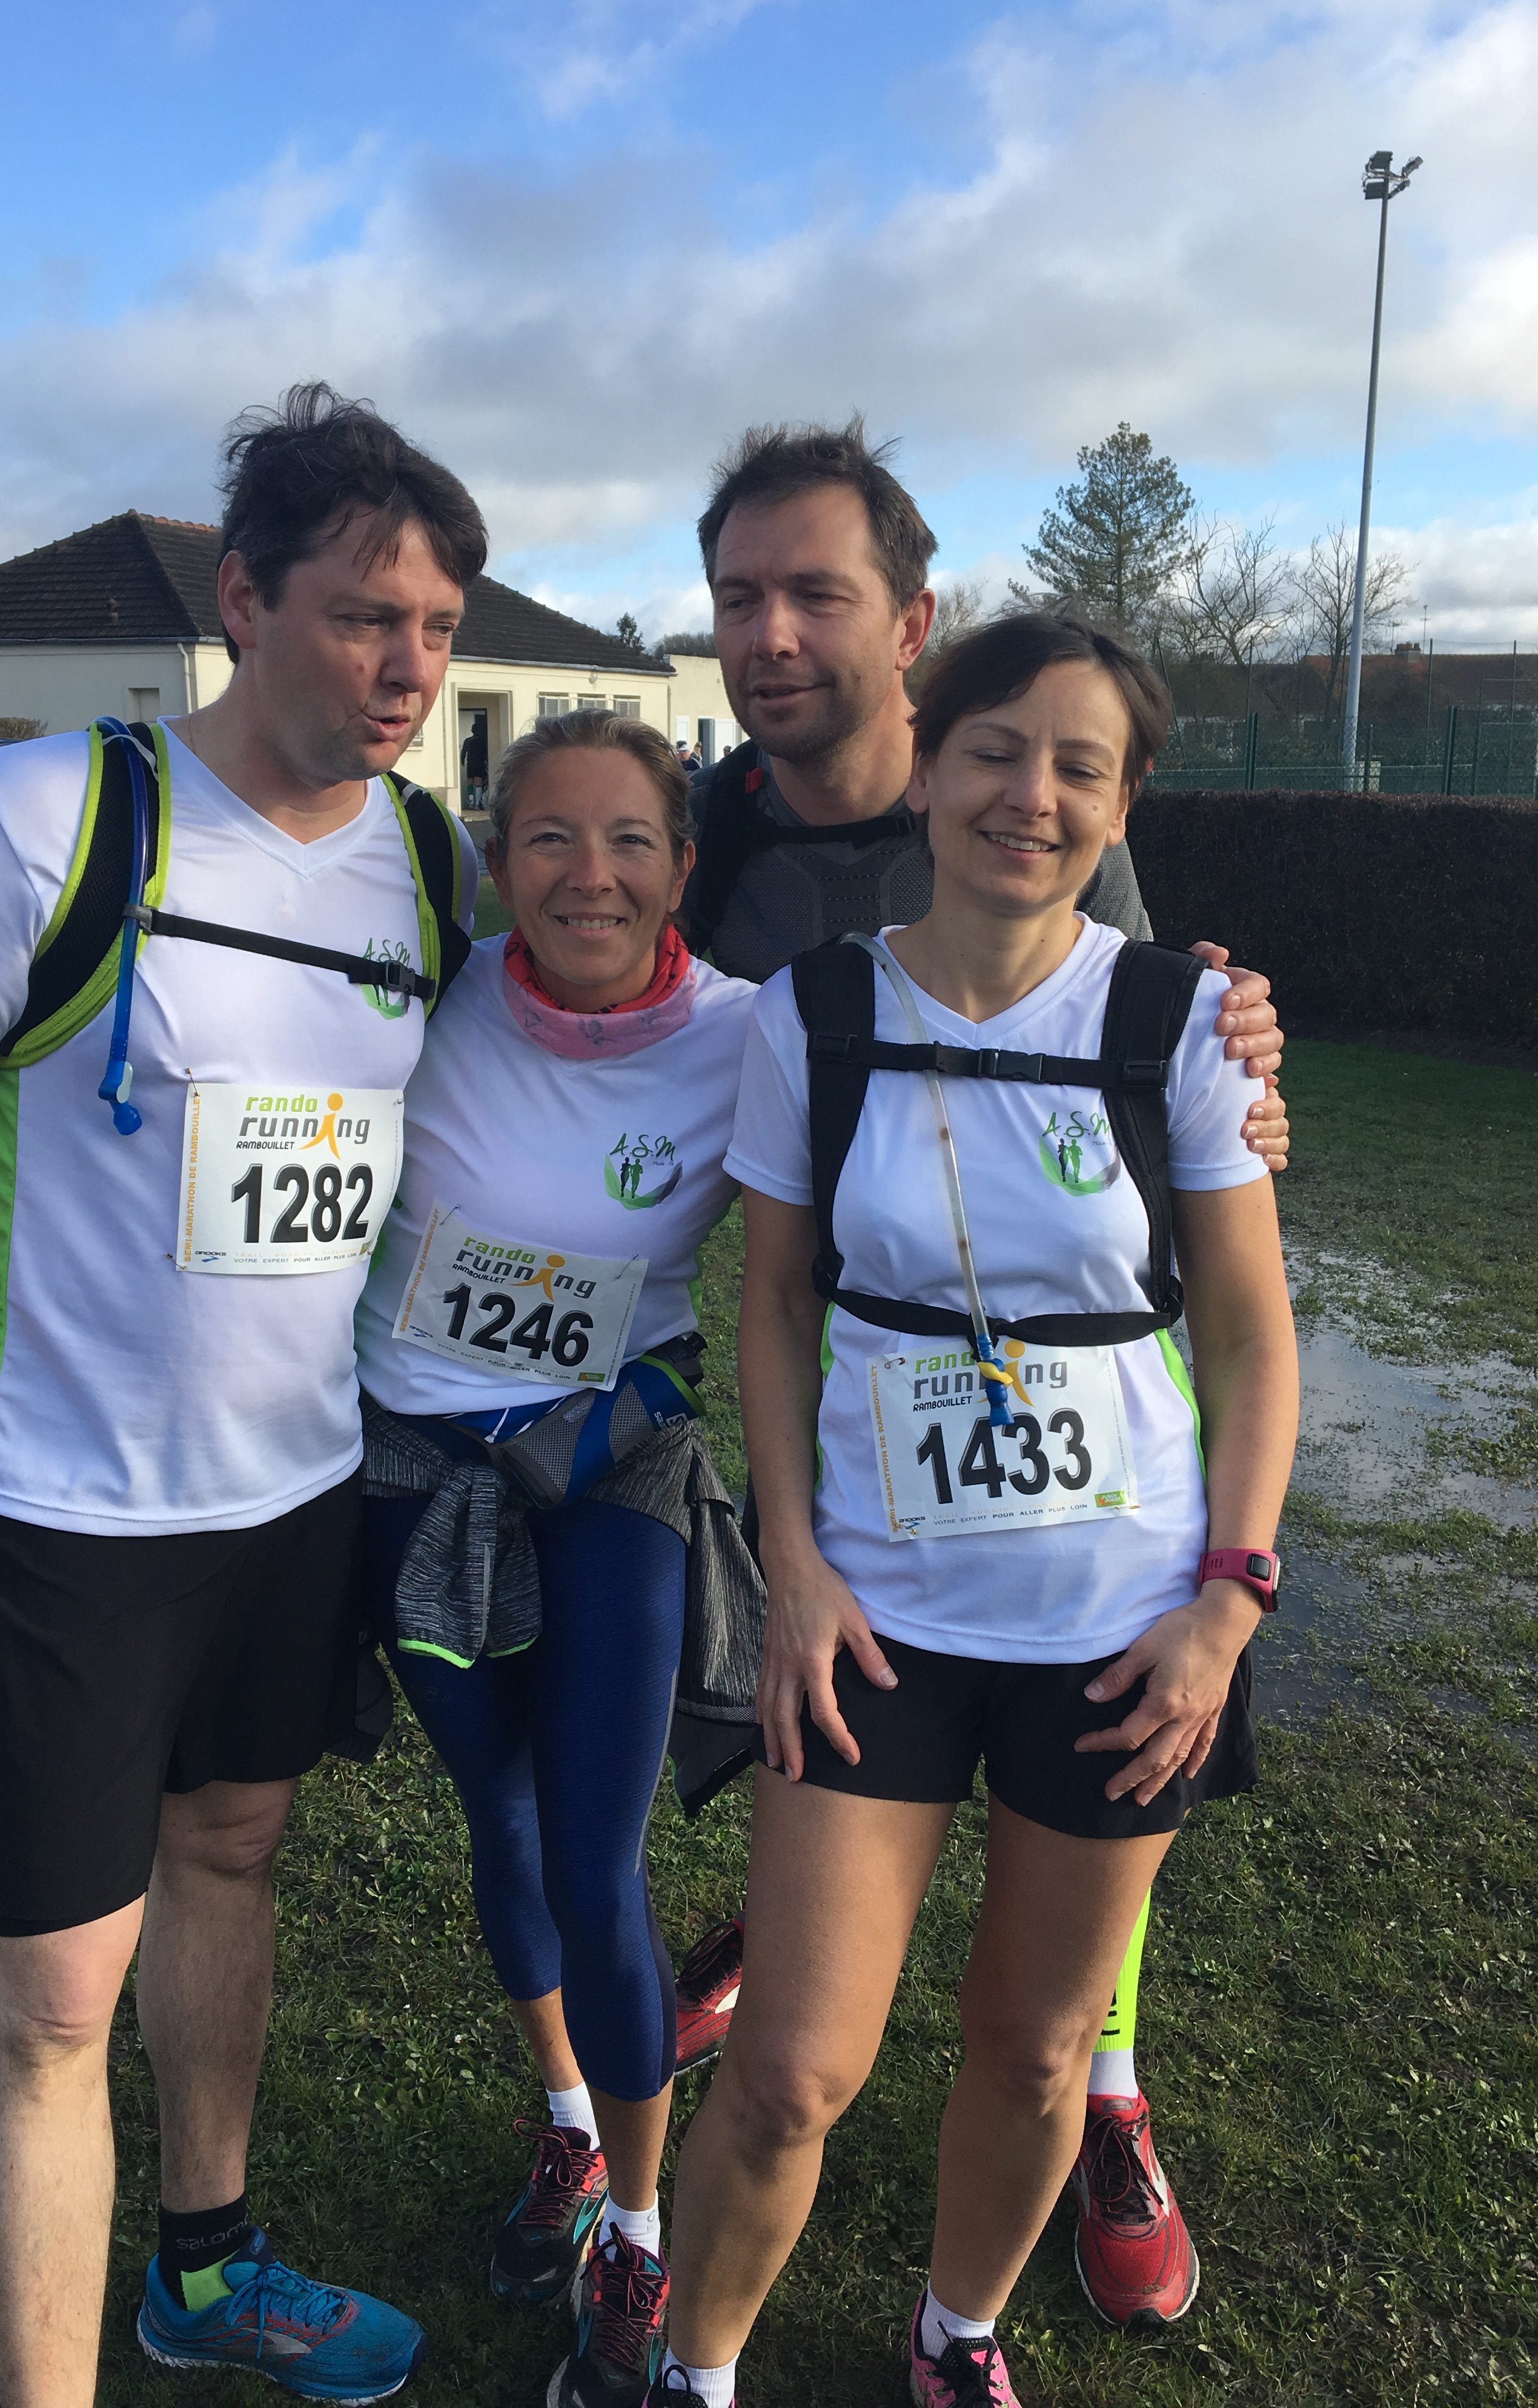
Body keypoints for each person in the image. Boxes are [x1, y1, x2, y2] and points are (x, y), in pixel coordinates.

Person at [0, 384, 485, 2408]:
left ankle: (204, 2268)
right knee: (49, 2004)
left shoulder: (430, 863)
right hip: (55, 1517)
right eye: (364, 617)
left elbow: (633, 1033)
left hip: (291, 1504)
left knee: (234, 1854)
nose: (407, 667)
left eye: (438, 630)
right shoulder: (49, 819)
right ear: (244, 603)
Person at [666, 419, 1290, 2332]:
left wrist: (1230, 1603)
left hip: (1117, 1610)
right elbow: (773, 1298)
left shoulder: (1180, 1012)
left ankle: (971, 2322)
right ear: (933, 758)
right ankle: (690, 2361)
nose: (1032, 795)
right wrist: (791, 1565)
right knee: (792, 2071)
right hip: (879, 1605)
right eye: (998, 755)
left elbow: (1249, 1326)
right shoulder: (760, 927)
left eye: (1079, 769)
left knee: (1033, 2049)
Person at [351, 710, 763, 2408]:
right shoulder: (419, 1000)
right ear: (494, 860)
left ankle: (642, 2241)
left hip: (611, 1469)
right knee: (501, 1818)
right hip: (416, 1476)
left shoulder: (750, 1034)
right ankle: (572, 2121)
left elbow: (948, 1081)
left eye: (630, 840)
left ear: (683, 864)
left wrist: (1199, 1026)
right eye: (549, 838)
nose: (591, 876)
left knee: (598, 1858)